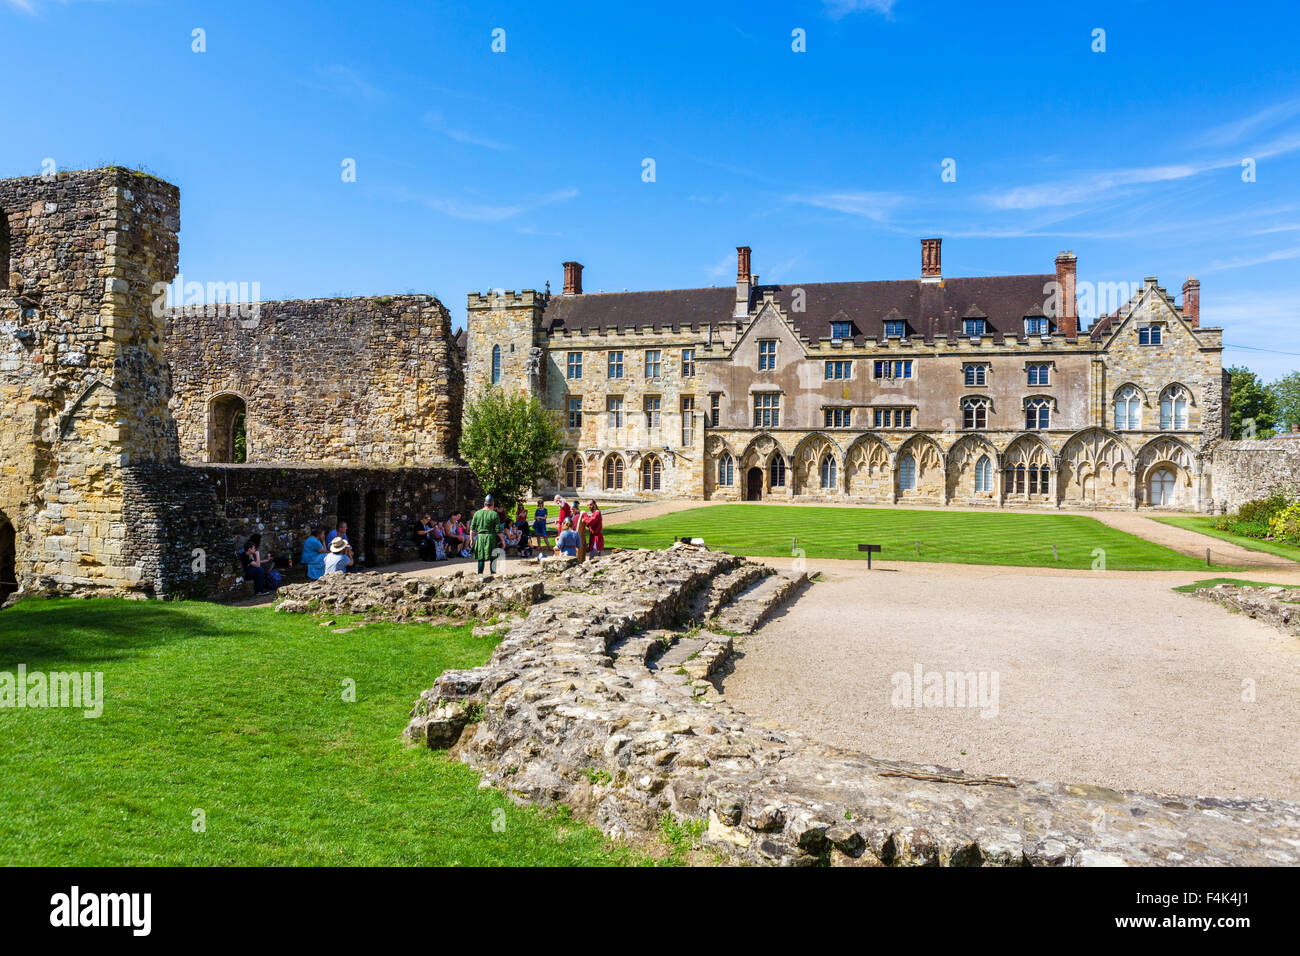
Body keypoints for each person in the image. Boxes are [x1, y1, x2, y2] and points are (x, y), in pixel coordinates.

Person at [469, 495, 504, 575]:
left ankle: (480, 575)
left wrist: (471, 539)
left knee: (481, 558)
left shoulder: (477, 513)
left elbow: (472, 528)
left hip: (480, 537)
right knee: (493, 557)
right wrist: (503, 541)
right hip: (491, 538)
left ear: (485, 503)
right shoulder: (494, 514)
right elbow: (498, 530)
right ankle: (493, 575)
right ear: (492, 504)